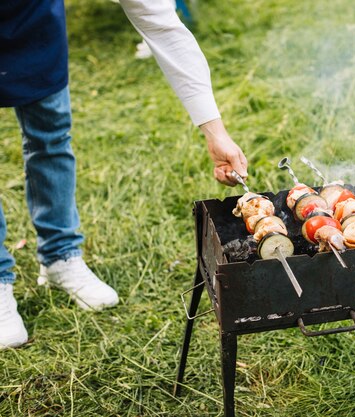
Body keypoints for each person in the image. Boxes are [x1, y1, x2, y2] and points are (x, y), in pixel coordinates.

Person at [0, 0, 248, 349]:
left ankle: (60, 256)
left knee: (51, 136)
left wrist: (215, 131)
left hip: (35, 25)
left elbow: (162, 25)